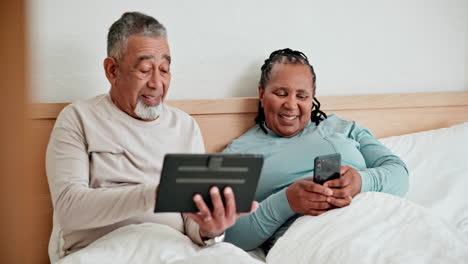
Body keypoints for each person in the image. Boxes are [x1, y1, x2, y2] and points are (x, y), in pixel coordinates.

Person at [46, 12, 255, 262]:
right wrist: (155, 193)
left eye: (164, 70)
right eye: (145, 70)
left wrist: (210, 229)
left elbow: (190, 220)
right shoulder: (78, 118)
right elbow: (69, 209)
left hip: (172, 248)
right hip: (102, 250)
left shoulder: (185, 126)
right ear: (112, 70)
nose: (157, 83)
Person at [223, 48, 409, 252]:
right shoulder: (239, 153)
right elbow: (228, 235)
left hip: (378, 223)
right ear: (261, 93)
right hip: (313, 241)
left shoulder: (343, 128)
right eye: (281, 93)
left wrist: (361, 181)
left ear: (312, 98)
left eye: (302, 96)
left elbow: (400, 174)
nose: (291, 105)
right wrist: (286, 202)